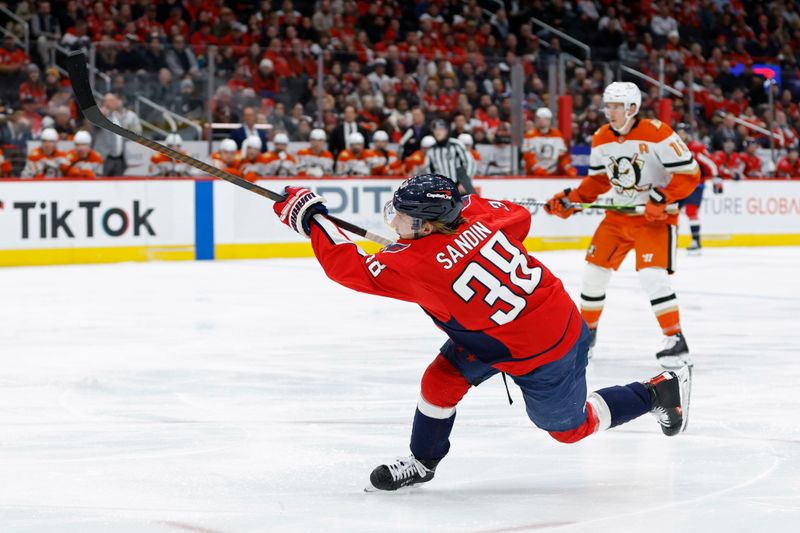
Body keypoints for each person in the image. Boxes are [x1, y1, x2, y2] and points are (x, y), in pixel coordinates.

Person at [270, 174, 692, 491]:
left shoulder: (413, 264)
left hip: (546, 349)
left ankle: (655, 392)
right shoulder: (474, 213)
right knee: (439, 381)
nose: (394, 221)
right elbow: (519, 218)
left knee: (569, 429)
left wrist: (313, 218)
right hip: (510, 328)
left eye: (403, 216)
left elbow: (347, 267)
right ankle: (423, 461)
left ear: (428, 225)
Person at [544, 82, 700, 368]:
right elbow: (600, 179)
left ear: (632, 108)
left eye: (616, 106)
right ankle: (586, 337)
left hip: (654, 218)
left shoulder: (657, 133)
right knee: (593, 274)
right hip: (618, 217)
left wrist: (661, 196)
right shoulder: (601, 137)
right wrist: (573, 199)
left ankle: (676, 340)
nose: (610, 111)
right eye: (608, 105)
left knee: (652, 276)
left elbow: (690, 173)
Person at [674, 123, 721, 252]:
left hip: (695, 185)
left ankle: (696, 240)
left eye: (682, 132)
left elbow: (710, 163)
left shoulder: (695, 148)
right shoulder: (673, 148)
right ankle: (672, 241)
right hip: (678, 186)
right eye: (678, 132)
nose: (680, 134)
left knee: (691, 211)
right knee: (673, 212)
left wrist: (716, 178)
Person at [425, 119, 477, 194]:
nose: (438, 132)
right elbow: (429, 170)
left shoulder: (456, 144)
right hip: (443, 188)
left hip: (462, 185)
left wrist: (465, 182)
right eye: (436, 130)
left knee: (471, 204)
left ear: (446, 131)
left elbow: (470, 162)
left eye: (441, 129)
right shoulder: (431, 150)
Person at [522, 108, 577, 176]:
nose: (541, 121)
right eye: (539, 118)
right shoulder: (530, 135)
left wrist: (568, 168)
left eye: (545, 118)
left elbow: (562, 156)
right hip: (533, 175)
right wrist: (536, 168)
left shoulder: (557, 134)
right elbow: (528, 156)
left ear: (549, 120)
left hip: (552, 174)